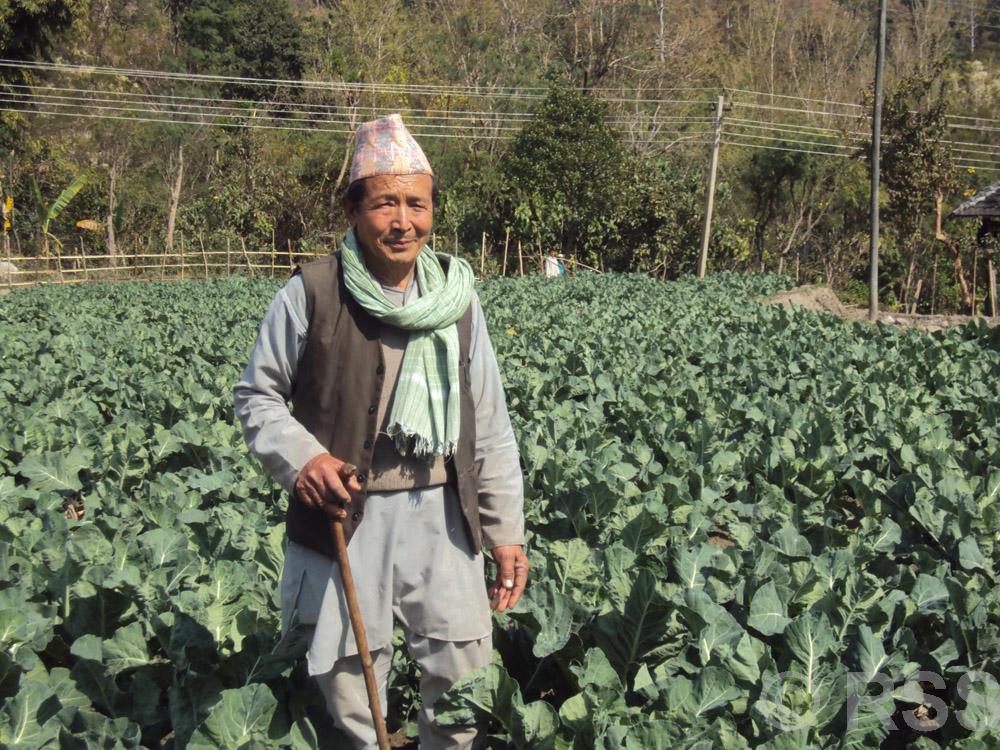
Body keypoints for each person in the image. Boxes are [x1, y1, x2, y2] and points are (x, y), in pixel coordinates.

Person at [233, 114, 528, 750]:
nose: (403, 221)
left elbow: (490, 423)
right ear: (352, 210)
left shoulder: (457, 298)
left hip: (444, 516)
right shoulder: (312, 293)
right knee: (347, 683)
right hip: (347, 517)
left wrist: (506, 531)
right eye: (384, 203)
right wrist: (305, 460)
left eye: (416, 204)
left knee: (463, 677)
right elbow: (257, 396)